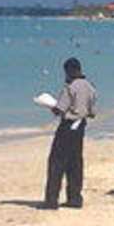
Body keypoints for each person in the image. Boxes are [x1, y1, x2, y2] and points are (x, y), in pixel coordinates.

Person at [42, 56, 97, 209]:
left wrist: (50, 105)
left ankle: (51, 200)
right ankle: (75, 198)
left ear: (69, 71)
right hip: (81, 127)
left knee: (56, 162)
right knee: (75, 162)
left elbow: (60, 110)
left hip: (68, 126)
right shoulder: (90, 87)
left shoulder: (70, 87)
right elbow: (92, 112)